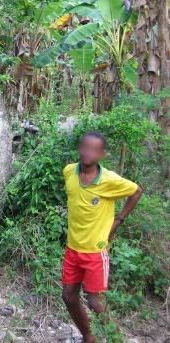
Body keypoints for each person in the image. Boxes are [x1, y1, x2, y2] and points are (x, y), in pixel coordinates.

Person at [61, 131, 143, 343]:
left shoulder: (109, 180)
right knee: (69, 296)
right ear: (79, 148)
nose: (88, 153)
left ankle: (117, 339)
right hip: (73, 248)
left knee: (95, 301)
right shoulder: (69, 172)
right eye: (85, 147)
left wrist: (118, 221)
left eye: (94, 149)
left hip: (95, 252)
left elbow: (136, 192)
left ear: (102, 154)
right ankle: (89, 337)